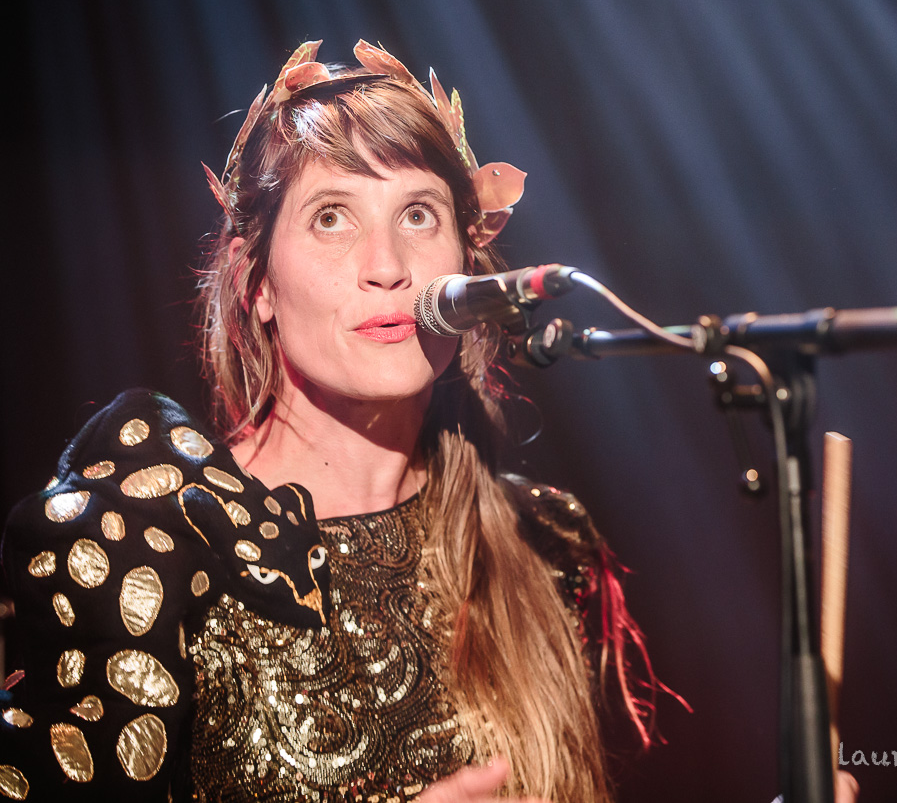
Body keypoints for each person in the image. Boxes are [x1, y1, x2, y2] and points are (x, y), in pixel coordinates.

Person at [0, 40, 661, 803]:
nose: (387, 264)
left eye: (418, 213)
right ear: (258, 283)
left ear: (466, 263)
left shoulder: (545, 545)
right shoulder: (155, 536)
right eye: (332, 217)